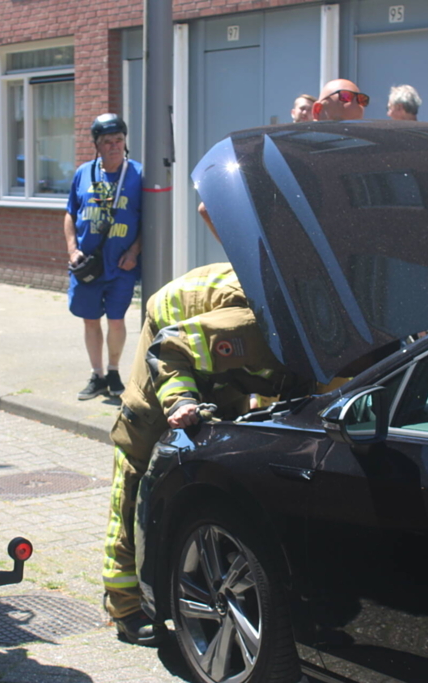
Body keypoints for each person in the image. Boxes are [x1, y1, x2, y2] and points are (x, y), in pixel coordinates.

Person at [102, 262, 313, 646]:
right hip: (171, 338)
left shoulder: (318, 337)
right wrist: (179, 400)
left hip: (215, 360)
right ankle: (125, 606)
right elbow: (170, 348)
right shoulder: (255, 330)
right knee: (135, 476)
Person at [64, 114, 143, 400]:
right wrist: (73, 249)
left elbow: (150, 219)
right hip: (88, 265)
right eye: (108, 142)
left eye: (119, 140)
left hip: (122, 264)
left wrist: (134, 251)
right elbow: (70, 213)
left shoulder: (138, 174)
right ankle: (97, 375)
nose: (114, 146)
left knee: (117, 320)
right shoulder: (83, 172)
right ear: (97, 144)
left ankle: (114, 370)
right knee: (89, 320)